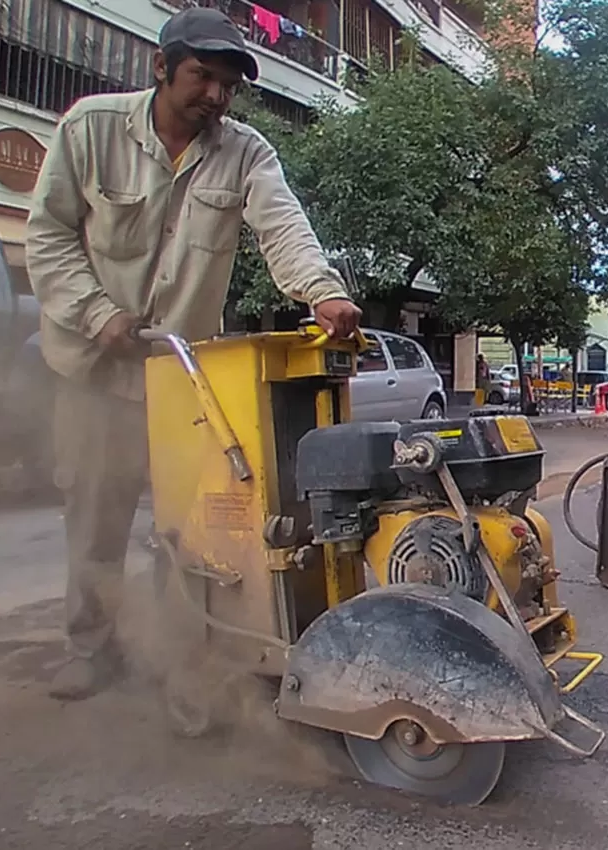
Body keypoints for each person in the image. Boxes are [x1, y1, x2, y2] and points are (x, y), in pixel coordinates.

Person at [25, 7, 363, 701]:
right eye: (201, 77)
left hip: (181, 377)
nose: (215, 96)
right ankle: (90, 646)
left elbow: (283, 228)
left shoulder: (247, 153)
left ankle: (181, 649)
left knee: (196, 520)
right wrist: (98, 315)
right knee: (96, 513)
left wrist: (322, 293)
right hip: (92, 366)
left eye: (228, 87)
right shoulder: (89, 128)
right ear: (161, 68)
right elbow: (48, 238)